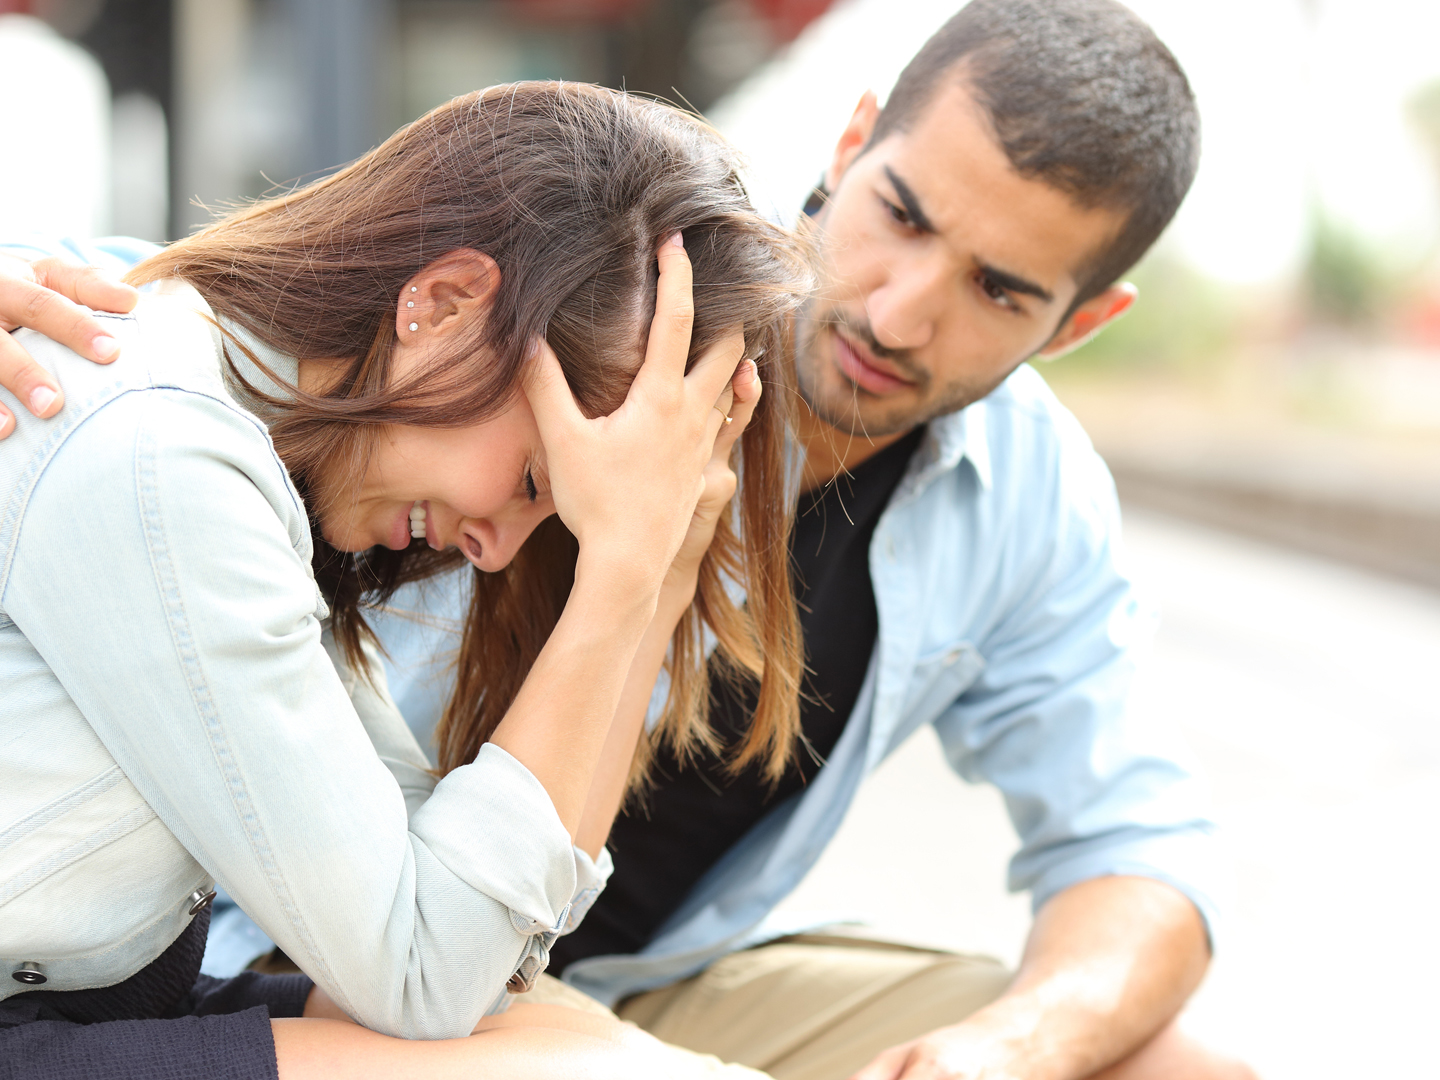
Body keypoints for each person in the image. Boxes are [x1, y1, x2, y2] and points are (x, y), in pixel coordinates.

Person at [1, 3, 1259, 1079]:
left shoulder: (1026, 496)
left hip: (611, 960)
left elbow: (1135, 848)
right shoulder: (612, 299)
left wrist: (1017, 1049)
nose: (898, 308)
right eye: (908, 216)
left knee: (1162, 1065)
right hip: (301, 955)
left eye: (1001, 289)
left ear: (1081, 320)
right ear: (854, 135)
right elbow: (226, 316)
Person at [0, 81, 810, 1080]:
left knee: (571, 1039)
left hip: (80, 1016)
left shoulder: (259, 455)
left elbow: (485, 952)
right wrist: (619, 572)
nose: (497, 552)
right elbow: (420, 975)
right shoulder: (159, 455)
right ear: (442, 302)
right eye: (531, 483)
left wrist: (661, 567)